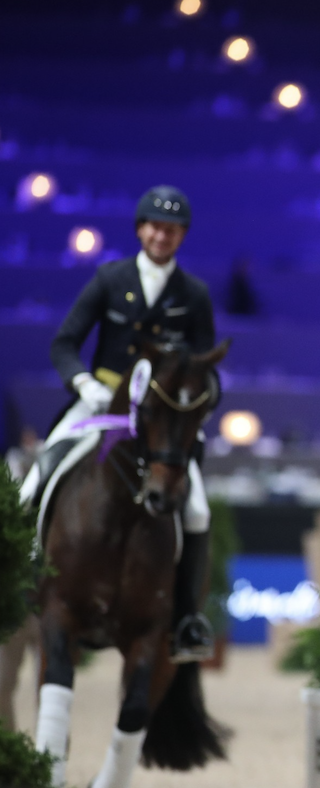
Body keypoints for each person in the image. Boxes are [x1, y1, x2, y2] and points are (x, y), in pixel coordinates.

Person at [19, 185, 218, 663]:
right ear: (140, 230)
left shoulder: (193, 295)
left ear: (181, 236)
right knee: (35, 480)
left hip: (162, 418)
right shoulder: (110, 279)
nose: (160, 235)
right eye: (153, 226)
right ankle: (21, 585)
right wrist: (83, 383)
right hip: (102, 403)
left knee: (197, 511)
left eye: (170, 229)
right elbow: (64, 343)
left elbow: (204, 366)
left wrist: (193, 410)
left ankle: (187, 619)